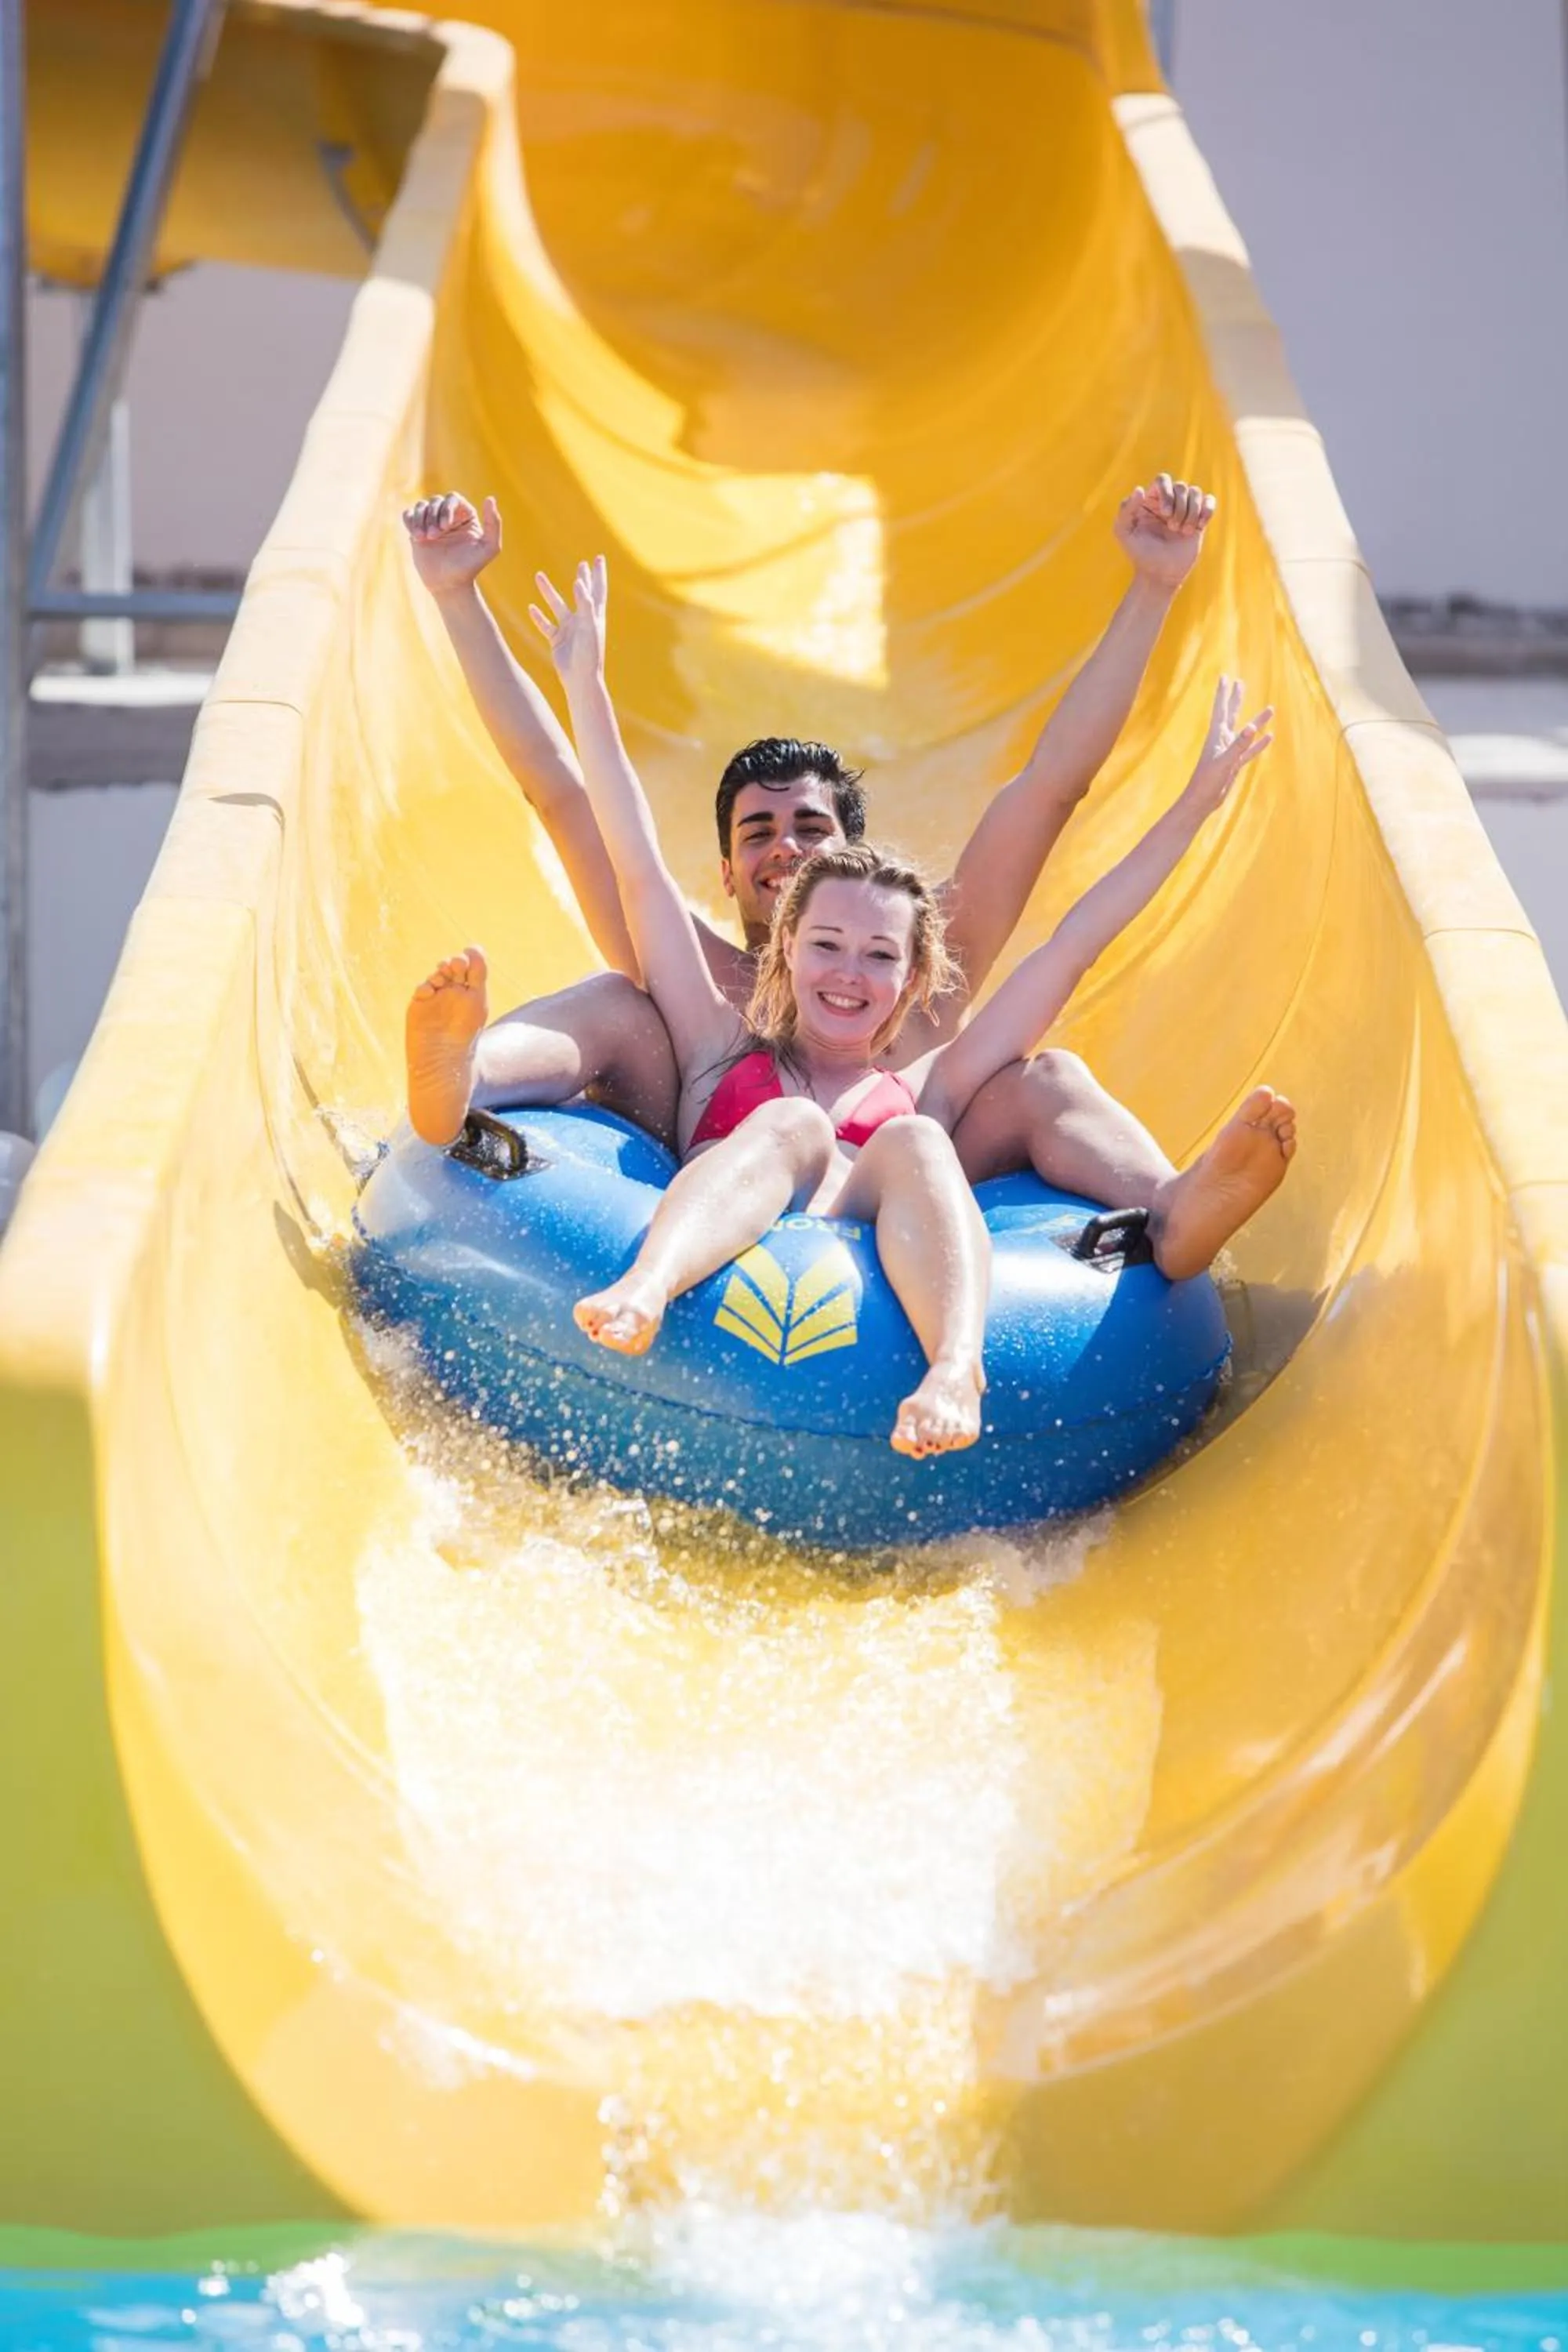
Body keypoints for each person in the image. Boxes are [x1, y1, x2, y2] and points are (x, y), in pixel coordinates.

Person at [401, 477, 1290, 1280]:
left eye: (809, 829)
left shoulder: (920, 966)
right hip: (711, 1166)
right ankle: (462, 1076)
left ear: (859, 864)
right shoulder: (700, 987)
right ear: (723, 871)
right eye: (757, 833)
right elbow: (562, 789)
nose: (783, 849)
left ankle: (1175, 1207)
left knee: (1045, 1075)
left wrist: (1152, 588)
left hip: (896, 1180)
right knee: (613, 1000)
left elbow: (1052, 788)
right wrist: (456, 596)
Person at [510, 556, 1289, 1461]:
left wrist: (1196, 803)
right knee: (793, 1124)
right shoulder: (715, 1040)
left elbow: (1076, 938)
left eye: (880, 956)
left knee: (915, 1138)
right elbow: (635, 859)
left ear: (915, 980)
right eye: (827, 948)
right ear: (786, 951)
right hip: (742, 1207)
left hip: (881, 1231)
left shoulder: (930, 1082)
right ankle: (645, 1288)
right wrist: (585, 685)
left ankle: (965, 1361)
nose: (850, 974)